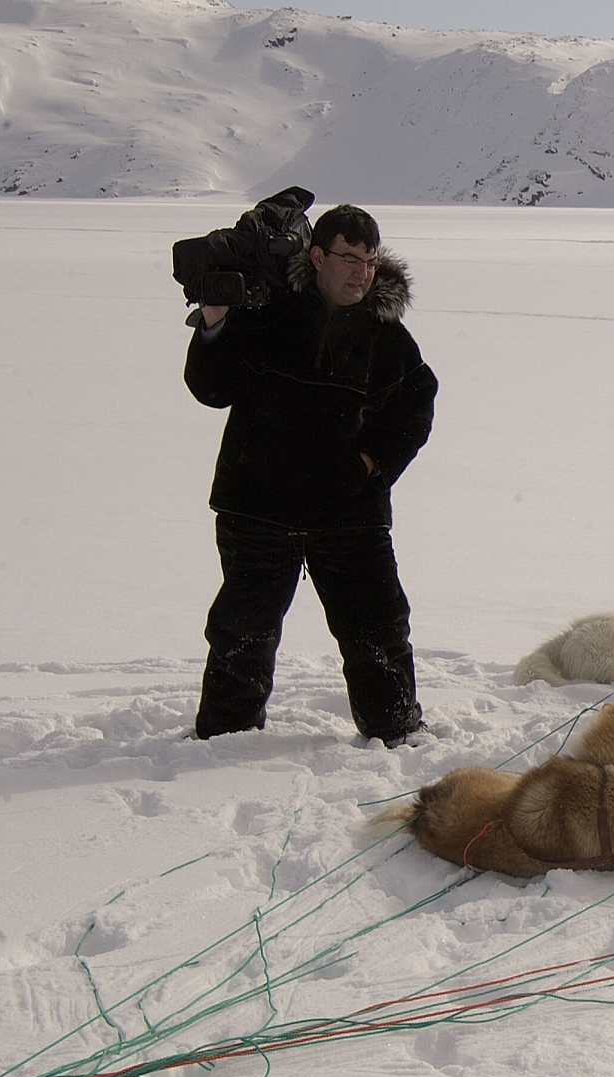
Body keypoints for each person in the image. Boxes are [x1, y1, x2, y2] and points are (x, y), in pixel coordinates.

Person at [184, 204, 437, 743]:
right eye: (349, 259)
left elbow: (416, 404)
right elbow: (211, 389)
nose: (361, 273)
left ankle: (395, 731)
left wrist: (370, 463)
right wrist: (214, 323)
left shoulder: (385, 335)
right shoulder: (269, 312)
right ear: (317, 256)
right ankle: (225, 737)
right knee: (242, 631)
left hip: (349, 513)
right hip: (257, 506)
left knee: (378, 627)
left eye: (369, 262)